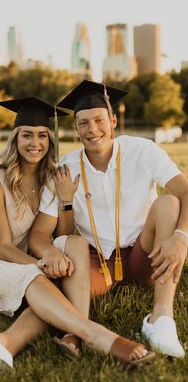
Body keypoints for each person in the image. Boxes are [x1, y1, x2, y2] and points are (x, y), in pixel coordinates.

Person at [0, 96, 155, 371]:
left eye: (41, 136)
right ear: (15, 139)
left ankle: (5, 343)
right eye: (26, 135)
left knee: (74, 246)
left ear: (50, 140)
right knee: (44, 280)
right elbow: (1, 245)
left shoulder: (52, 176)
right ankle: (99, 336)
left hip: (32, 259)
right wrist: (41, 264)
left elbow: (64, 233)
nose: (34, 143)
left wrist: (66, 201)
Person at [29, 80, 188, 359]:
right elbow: (40, 234)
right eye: (83, 123)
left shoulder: (143, 150)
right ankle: (75, 331)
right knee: (68, 261)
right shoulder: (65, 167)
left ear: (113, 120)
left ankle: (160, 320)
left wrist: (181, 236)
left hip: (145, 252)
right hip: (96, 262)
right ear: (75, 128)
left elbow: (185, 191)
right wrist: (52, 251)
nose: (92, 130)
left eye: (99, 120)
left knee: (168, 203)